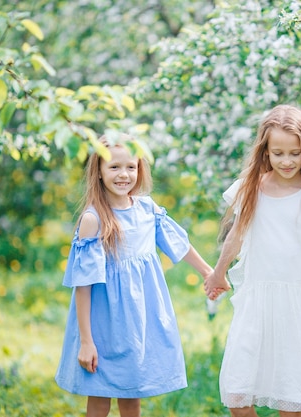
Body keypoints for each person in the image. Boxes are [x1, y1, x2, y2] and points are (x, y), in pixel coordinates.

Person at [55, 135, 214, 417]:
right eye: (114, 167)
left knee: (132, 394)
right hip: (103, 323)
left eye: (131, 166)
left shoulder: (147, 209)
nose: (124, 174)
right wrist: (86, 341)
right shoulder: (94, 219)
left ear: (140, 169)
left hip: (139, 321)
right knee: (100, 396)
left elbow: (179, 245)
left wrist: (208, 272)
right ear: (99, 171)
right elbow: (83, 285)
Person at [204, 105, 301, 417]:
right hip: (256, 303)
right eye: (277, 153)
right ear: (264, 152)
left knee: (291, 400)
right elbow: (236, 236)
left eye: (295, 153)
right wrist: (217, 273)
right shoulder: (252, 188)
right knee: (237, 394)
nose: (286, 161)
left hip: (299, 307)